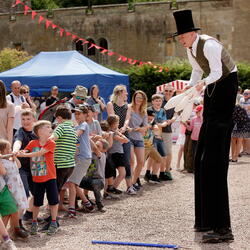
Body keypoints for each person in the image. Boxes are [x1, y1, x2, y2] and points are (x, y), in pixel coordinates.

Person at [173, 9, 238, 243]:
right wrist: (189, 90)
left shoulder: (209, 45)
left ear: (192, 33)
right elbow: (197, 71)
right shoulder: (191, 49)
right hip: (212, 90)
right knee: (201, 161)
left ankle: (223, 228)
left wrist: (199, 86)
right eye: (179, 37)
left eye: (182, 36)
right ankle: (204, 220)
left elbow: (218, 73)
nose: (180, 40)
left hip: (225, 88)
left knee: (213, 162)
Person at [17, 120, 59, 235]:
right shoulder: (32, 143)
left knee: (53, 201)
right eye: (48, 127)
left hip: (50, 177)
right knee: (37, 203)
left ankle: (54, 222)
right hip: (37, 178)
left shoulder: (51, 143)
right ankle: (34, 222)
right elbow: (27, 149)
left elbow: (39, 153)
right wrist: (21, 151)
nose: (51, 129)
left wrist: (24, 154)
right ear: (39, 131)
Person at [106, 85, 136, 195]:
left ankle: (129, 186)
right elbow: (112, 118)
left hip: (124, 133)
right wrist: (119, 130)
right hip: (114, 135)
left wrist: (124, 128)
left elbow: (127, 118)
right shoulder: (110, 104)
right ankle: (109, 189)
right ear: (119, 92)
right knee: (112, 162)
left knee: (127, 160)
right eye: (125, 92)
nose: (127, 94)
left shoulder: (128, 106)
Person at [67, 105, 94, 217]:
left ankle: (72, 209)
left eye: (79, 113)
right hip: (78, 158)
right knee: (74, 183)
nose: (77, 115)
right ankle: (87, 204)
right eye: (75, 113)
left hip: (83, 158)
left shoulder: (83, 125)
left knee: (71, 183)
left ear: (85, 114)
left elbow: (75, 135)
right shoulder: (76, 126)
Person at [12, 110, 37, 224]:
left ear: (33, 120)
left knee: (37, 194)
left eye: (28, 119)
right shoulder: (20, 131)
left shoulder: (37, 133)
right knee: (24, 193)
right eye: (23, 119)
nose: (25, 121)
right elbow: (18, 141)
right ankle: (18, 222)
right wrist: (15, 151)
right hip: (22, 168)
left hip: (35, 167)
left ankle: (29, 213)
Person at [79, 139, 109, 212]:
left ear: (104, 150)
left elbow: (94, 148)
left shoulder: (102, 155)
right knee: (74, 182)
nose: (95, 146)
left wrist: (86, 137)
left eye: (98, 146)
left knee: (95, 183)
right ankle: (84, 200)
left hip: (99, 181)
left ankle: (100, 205)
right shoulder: (90, 153)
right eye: (96, 144)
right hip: (89, 180)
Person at [127, 90, 148, 189]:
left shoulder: (144, 111)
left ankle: (134, 181)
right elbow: (126, 122)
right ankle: (130, 184)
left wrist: (140, 128)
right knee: (131, 161)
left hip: (139, 138)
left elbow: (145, 127)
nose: (139, 99)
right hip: (130, 137)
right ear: (134, 98)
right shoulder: (129, 108)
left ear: (143, 100)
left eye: (141, 98)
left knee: (141, 162)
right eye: (137, 97)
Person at [161, 84, 177, 174]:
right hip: (157, 129)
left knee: (168, 151)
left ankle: (167, 170)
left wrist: (171, 120)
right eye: (166, 91)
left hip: (167, 129)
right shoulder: (159, 100)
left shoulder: (175, 102)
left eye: (170, 91)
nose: (168, 93)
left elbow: (175, 114)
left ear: (173, 92)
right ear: (163, 91)